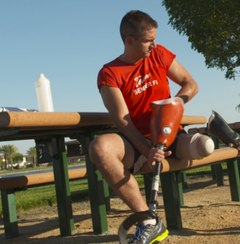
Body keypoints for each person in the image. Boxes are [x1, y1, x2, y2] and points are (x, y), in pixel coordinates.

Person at [89, 10, 212, 244]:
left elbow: (190, 85)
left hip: (170, 135)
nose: (154, 45)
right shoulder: (109, 74)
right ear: (129, 40)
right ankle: (148, 221)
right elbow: (123, 121)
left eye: (155, 39)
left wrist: (174, 104)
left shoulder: (159, 54)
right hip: (136, 142)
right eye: (148, 41)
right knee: (99, 148)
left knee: (206, 145)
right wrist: (147, 150)